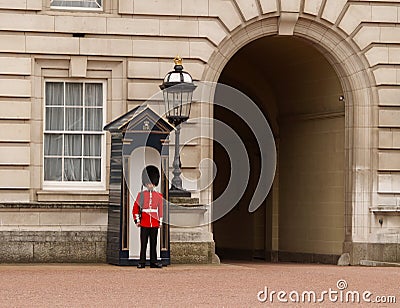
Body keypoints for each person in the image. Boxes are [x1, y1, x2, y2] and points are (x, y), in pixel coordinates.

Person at [132, 165, 164, 269]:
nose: (150, 185)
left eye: (152, 183)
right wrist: (137, 220)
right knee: (143, 243)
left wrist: (160, 221)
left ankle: (153, 262)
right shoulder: (141, 195)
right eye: (148, 183)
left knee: (153, 244)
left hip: (154, 222)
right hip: (144, 222)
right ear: (145, 183)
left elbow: (161, 209)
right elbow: (135, 208)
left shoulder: (159, 195)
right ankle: (142, 261)